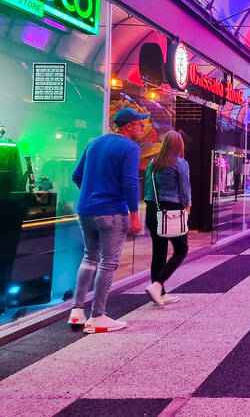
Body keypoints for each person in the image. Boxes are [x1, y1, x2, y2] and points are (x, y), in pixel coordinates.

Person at [68, 108, 147, 333]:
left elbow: (76, 175)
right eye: (140, 123)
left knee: (89, 256)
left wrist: (92, 192)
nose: (142, 127)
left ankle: (76, 311)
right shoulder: (130, 147)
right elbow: (131, 183)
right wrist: (134, 214)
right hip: (111, 211)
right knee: (108, 262)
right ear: (128, 126)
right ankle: (98, 316)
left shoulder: (94, 144)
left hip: (86, 209)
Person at [144, 131, 191, 307]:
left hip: (152, 210)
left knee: (159, 251)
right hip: (171, 211)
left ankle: (160, 294)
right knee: (181, 249)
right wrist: (188, 206)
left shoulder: (152, 163)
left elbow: (147, 188)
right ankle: (157, 286)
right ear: (179, 145)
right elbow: (185, 188)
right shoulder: (180, 163)